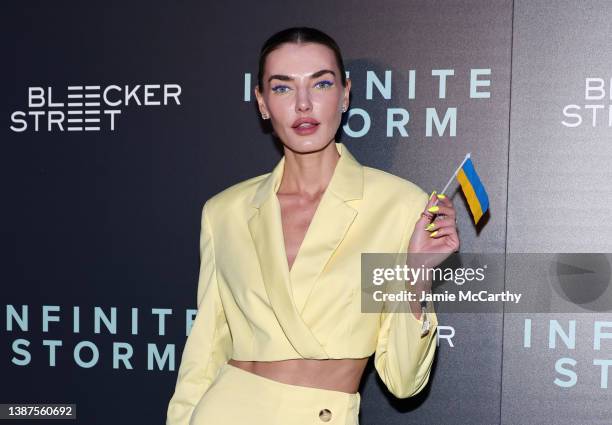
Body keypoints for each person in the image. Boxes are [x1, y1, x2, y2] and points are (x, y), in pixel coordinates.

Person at [166, 27, 459, 425]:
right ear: (262, 103)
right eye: (283, 88)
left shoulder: (400, 205)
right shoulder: (225, 211)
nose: (304, 104)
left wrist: (417, 277)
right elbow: (204, 351)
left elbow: (404, 382)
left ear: (345, 94)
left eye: (321, 84)